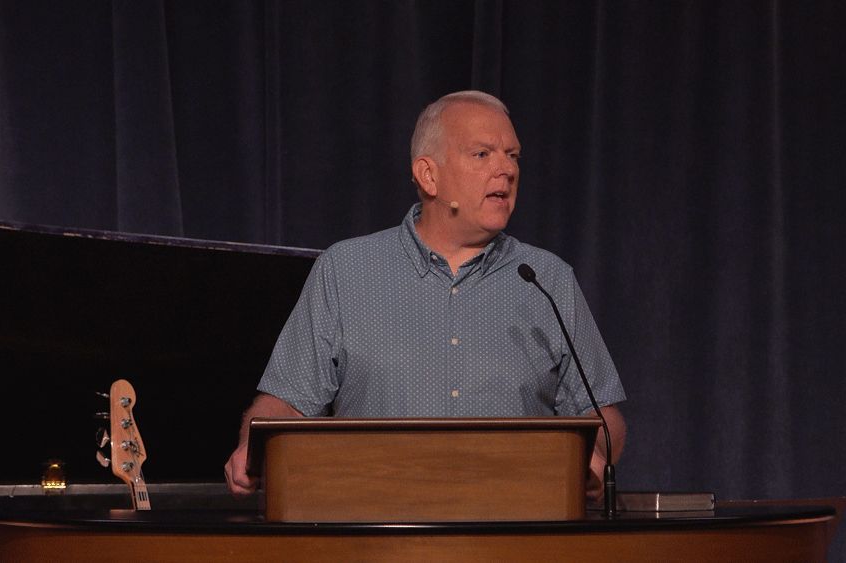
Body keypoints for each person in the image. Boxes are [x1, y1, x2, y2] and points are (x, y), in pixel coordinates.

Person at [225, 90, 626, 500]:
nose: (506, 169)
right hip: (374, 533)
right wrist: (250, 449)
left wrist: (593, 457)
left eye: (513, 155)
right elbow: (285, 405)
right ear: (428, 175)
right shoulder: (345, 271)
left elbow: (599, 415)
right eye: (483, 154)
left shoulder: (548, 279)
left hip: (513, 533)